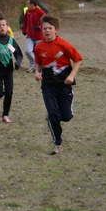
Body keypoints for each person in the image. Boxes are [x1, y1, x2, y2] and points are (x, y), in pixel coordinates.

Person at [34, 15, 82, 155]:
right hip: (48, 86)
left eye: (50, 28)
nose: (47, 31)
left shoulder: (63, 45)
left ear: (56, 30)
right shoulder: (39, 47)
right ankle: (57, 142)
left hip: (64, 85)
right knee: (53, 114)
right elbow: (38, 63)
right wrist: (37, 73)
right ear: (41, 31)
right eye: (44, 29)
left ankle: (53, 118)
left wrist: (71, 75)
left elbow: (78, 60)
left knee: (66, 116)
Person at [21, 0, 47, 73]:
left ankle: (40, 67)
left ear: (32, 4)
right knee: (27, 51)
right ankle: (34, 65)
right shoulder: (27, 12)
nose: (26, 5)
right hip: (30, 36)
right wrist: (24, 30)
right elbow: (25, 22)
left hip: (39, 37)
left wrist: (39, 27)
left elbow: (45, 22)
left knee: (40, 53)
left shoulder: (40, 12)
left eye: (27, 4)